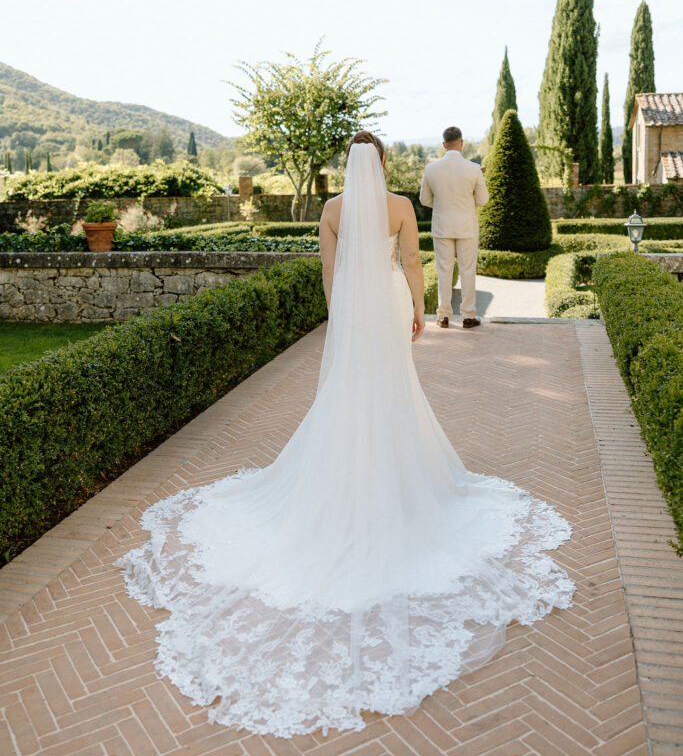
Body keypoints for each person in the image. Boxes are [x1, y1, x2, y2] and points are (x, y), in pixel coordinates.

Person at [115, 130, 573, 739]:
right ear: (381, 163)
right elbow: (413, 262)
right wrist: (416, 308)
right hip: (384, 300)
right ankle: (393, 474)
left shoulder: (333, 210)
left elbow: (329, 270)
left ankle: (348, 476)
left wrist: (339, 313)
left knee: (349, 390)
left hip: (356, 308)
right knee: (391, 388)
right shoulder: (401, 206)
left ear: (346, 165)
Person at [419, 126, 489, 328]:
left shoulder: (431, 169)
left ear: (443, 144)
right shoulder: (473, 168)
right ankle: (468, 315)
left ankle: (443, 316)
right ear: (461, 143)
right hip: (466, 225)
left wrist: (442, 205)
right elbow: (483, 200)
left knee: (444, 270)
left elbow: (424, 200)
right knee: (468, 270)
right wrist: (467, 204)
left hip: (442, 225)